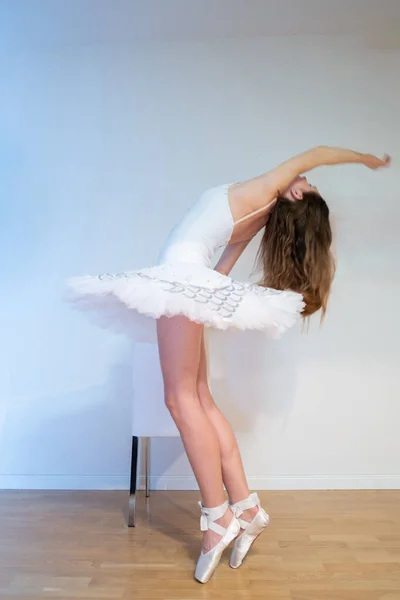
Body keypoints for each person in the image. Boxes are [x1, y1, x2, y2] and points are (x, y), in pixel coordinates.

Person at [68, 146, 390, 583]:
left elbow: (316, 153)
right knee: (196, 396)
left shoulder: (267, 190)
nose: (304, 179)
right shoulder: (260, 205)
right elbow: (225, 259)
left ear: (296, 197)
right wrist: (204, 299)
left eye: (307, 183)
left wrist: (363, 158)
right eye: (308, 180)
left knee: (181, 399)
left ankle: (217, 517)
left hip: (181, 278)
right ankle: (247, 508)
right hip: (187, 281)